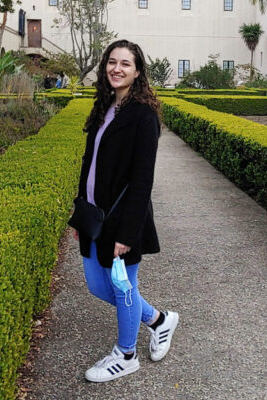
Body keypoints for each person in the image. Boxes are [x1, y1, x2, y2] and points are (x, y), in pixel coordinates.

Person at [73, 39, 179, 383]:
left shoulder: (143, 115)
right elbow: (89, 165)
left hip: (121, 221)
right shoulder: (104, 106)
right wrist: (80, 213)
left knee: (123, 287)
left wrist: (127, 234)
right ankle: (160, 321)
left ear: (137, 72)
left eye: (125, 64)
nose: (117, 69)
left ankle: (126, 354)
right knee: (97, 286)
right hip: (94, 217)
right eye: (112, 62)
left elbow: (141, 180)